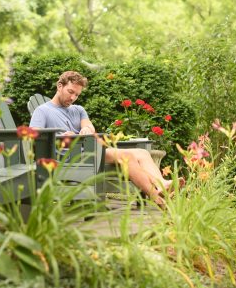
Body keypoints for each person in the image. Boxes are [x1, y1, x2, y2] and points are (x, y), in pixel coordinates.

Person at [29, 70, 179, 206]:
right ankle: (157, 197)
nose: (73, 97)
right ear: (59, 86)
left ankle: (162, 185)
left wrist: (86, 129)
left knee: (143, 153)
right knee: (126, 156)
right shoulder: (42, 111)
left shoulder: (78, 110)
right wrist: (60, 136)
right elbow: (34, 136)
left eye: (77, 95)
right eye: (70, 92)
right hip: (67, 156)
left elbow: (88, 126)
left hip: (88, 150)